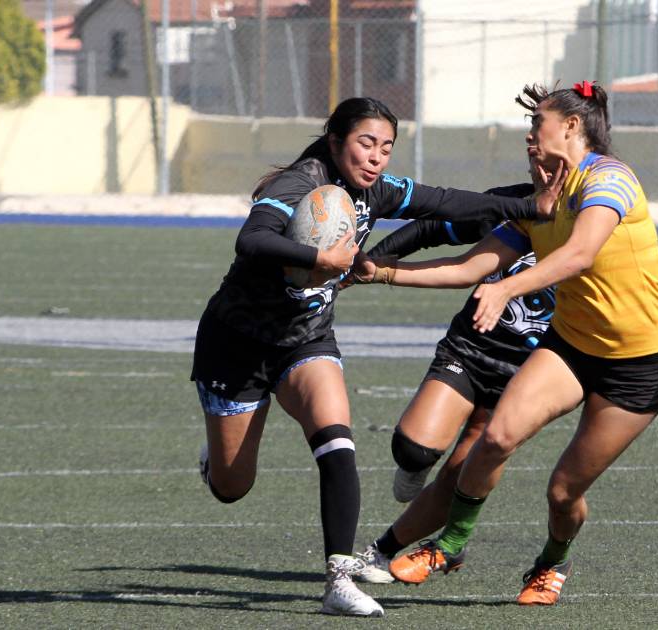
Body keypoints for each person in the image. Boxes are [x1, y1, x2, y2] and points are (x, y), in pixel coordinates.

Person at [190, 96, 561, 617]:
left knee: (336, 440)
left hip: (305, 339)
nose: (376, 157)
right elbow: (252, 240)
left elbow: (445, 203)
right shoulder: (296, 185)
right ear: (336, 139)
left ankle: (337, 581)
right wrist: (320, 257)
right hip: (236, 345)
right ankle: (216, 461)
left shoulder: (376, 191)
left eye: (386, 148)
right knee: (233, 486)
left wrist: (529, 207)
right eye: (366, 143)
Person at [374, 81, 658, 606]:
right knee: (495, 438)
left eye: (538, 123)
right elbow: (469, 267)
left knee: (563, 491)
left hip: (637, 365)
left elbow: (580, 253)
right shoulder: (539, 203)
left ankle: (552, 562)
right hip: (570, 348)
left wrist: (506, 289)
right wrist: (380, 272)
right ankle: (450, 545)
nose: (530, 136)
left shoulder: (609, 178)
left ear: (572, 126)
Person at [343, 181, 556, 584]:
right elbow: (434, 232)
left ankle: (382, 552)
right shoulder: (516, 204)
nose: (542, 167)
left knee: (462, 477)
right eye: (535, 158)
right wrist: (374, 263)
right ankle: (416, 466)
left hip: (531, 371)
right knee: (414, 448)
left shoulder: (599, 224)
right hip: (470, 349)